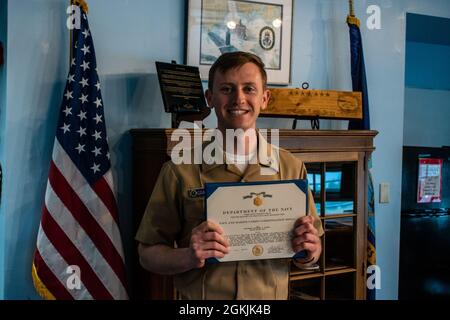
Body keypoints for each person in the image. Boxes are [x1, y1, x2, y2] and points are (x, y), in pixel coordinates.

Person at [136, 51, 323, 300]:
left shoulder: (291, 167)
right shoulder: (179, 170)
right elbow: (147, 254)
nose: (239, 99)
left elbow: (313, 246)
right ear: (210, 98)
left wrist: (310, 250)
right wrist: (189, 256)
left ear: (265, 98)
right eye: (227, 89)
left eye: (249, 89)